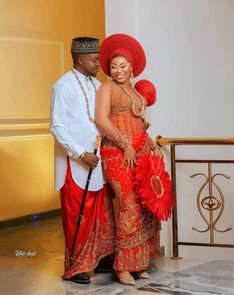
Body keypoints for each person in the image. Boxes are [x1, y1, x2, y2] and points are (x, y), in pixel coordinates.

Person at [95, 33, 163, 286]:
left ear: (132, 68)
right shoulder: (107, 88)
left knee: (145, 205)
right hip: (117, 153)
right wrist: (125, 146)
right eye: (114, 66)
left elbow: (137, 123)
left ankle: (138, 263)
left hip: (140, 153)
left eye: (123, 66)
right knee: (128, 205)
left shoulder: (133, 90)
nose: (118, 70)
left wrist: (152, 146)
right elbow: (102, 121)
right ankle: (122, 266)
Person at [50, 37, 115, 284]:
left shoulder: (98, 84)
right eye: (95, 59)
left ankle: (98, 260)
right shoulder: (63, 86)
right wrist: (80, 153)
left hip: (97, 161)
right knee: (78, 213)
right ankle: (76, 267)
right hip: (75, 163)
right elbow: (56, 126)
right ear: (80, 59)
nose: (99, 63)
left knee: (101, 210)